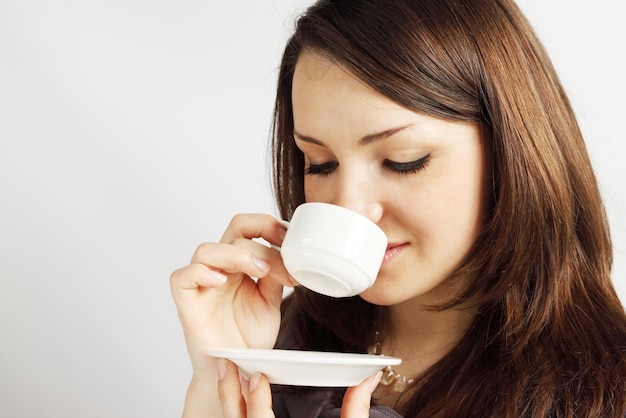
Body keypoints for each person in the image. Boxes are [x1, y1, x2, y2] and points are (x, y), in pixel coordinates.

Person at [170, 0, 626, 416]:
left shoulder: (599, 389)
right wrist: (222, 377)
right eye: (320, 163)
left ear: (510, 151)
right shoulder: (288, 344)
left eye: (402, 161)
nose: (349, 208)